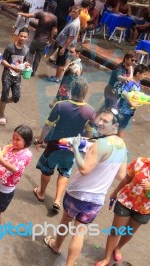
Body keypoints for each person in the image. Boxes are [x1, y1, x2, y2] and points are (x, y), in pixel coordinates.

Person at [43, 109, 127, 266]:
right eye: (100, 119)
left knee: (66, 220)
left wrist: (76, 149)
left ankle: (56, 245)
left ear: (115, 125)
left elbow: (84, 169)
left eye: (105, 121)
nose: (99, 123)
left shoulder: (100, 144)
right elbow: (121, 174)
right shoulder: (122, 145)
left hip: (77, 193)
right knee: (80, 232)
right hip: (96, 198)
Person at [33, 77, 96, 212]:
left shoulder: (61, 105)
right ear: (85, 93)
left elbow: (48, 126)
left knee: (47, 169)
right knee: (64, 171)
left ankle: (41, 193)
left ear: (71, 90)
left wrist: (40, 140)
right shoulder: (90, 111)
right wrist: (84, 149)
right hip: (72, 147)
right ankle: (57, 199)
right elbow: (89, 134)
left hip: (55, 144)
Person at [95, 157, 150, 266]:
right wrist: (115, 192)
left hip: (144, 209)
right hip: (126, 201)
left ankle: (118, 248)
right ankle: (106, 258)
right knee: (116, 231)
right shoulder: (140, 162)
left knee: (129, 232)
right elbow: (126, 179)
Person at [0, 28, 30, 126]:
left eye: (25, 36)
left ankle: (2, 102)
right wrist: (12, 67)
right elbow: (3, 60)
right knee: (5, 94)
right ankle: (2, 115)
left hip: (17, 76)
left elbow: (25, 61)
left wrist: (26, 65)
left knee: (16, 97)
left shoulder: (26, 49)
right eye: (21, 36)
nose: (22, 38)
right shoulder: (10, 47)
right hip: (7, 74)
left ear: (27, 38)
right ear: (18, 36)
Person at [47, 6, 81, 83]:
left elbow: (70, 37)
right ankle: (57, 76)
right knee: (60, 61)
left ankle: (57, 78)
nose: (72, 13)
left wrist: (63, 48)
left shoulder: (74, 24)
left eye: (75, 12)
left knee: (61, 62)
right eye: (72, 11)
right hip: (62, 44)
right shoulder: (73, 20)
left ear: (79, 13)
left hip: (65, 46)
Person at [18, 10, 57, 76]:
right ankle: (33, 72)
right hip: (44, 41)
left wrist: (21, 13)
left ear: (48, 7)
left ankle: (28, 69)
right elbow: (54, 30)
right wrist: (50, 39)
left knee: (30, 53)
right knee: (38, 57)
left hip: (36, 39)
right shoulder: (54, 18)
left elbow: (29, 15)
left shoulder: (41, 13)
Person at [117, 64, 149, 138]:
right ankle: (119, 143)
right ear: (138, 74)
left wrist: (134, 110)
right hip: (122, 110)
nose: (145, 76)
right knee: (119, 127)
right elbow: (124, 93)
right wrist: (131, 103)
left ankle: (117, 142)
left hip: (129, 111)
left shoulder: (138, 83)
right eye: (144, 74)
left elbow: (138, 97)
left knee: (122, 127)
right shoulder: (130, 82)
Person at [49, 44, 83, 108]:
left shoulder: (76, 67)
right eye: (69, 51)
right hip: (63, 91)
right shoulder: (73, 63)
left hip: (66, 94)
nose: (69, 54)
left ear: (78, 53)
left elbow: (72, 83)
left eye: (72, 52)